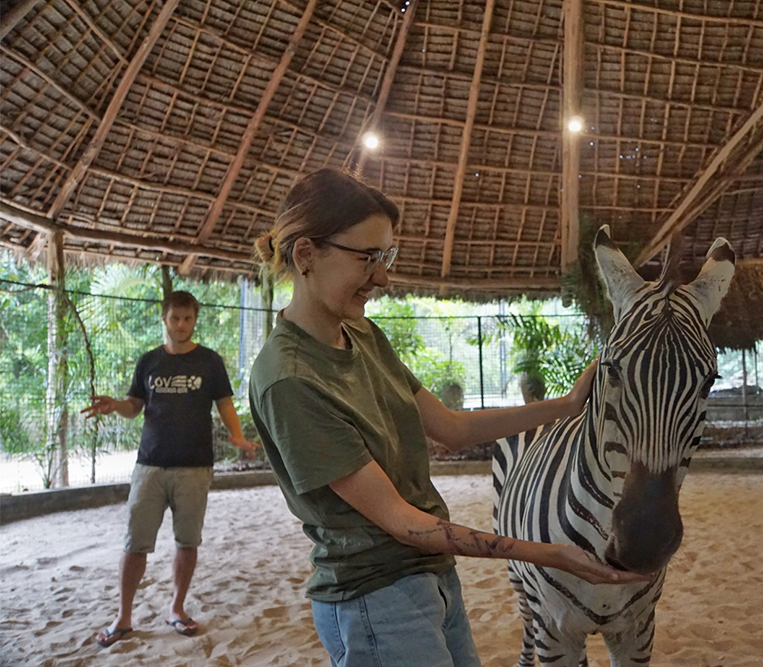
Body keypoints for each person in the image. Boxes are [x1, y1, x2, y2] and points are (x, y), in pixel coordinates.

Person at [248, 169, 648, 667]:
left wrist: (565, 406)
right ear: (306, 254)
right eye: (368, 258)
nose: (383, 277)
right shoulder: (289, 379)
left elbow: (451, 428)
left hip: (429, 576)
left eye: (386, 257)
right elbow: (400, 521)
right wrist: (548, 553)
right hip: (375, 597)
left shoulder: (364, 335)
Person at [82, 290, 261, 648]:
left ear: (195, 321)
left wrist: (238, 436)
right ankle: (124, 617)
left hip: (195, 467)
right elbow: (134, 406)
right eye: (175, 318)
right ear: (164, 319)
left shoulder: (210, 362)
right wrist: (116, 405)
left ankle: (176, 609)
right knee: (135, 544)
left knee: (187, 541)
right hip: (149, 465)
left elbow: (224, 404)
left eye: (188, 318)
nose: (181, 325)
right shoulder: (149, 361)